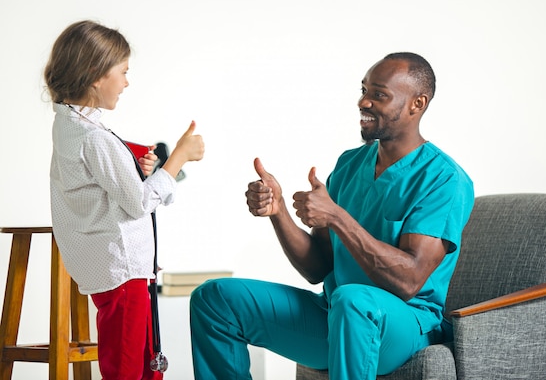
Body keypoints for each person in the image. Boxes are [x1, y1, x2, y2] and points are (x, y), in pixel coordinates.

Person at [189, 52, 474, 379]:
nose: (363, 102)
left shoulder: (443, 179)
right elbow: (317, 267)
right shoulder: (350, 164)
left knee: (353, 300)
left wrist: (337, 216)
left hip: (404, 327)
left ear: (417, 104)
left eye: (379, 94)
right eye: (364, 90)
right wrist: (278, 211)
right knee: (215, 298)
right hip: (335, 314)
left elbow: (409, 281)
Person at [45, 20, 205, 380]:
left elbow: (103, 181)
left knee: (143, 365)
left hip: (118, 273)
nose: (127, 82)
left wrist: (138, 165)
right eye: (124, 72)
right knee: (129, 371)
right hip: (124, 275)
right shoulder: (93, 137)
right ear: (96, 75)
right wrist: (178, 156)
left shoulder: (72, 126)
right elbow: (138, 203)